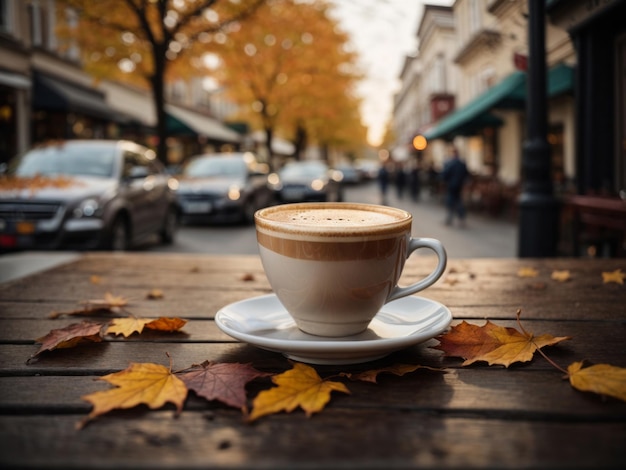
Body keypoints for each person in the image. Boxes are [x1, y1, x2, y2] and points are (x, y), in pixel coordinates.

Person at [441, 146, 469, 227]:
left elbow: (445, 174)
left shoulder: (450, 163)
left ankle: (449, 219)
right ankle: (461, 218)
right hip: (459, 185)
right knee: (458, 201)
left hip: (451, 185)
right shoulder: (461, 163)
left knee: (451, 201)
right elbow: (466, 174)